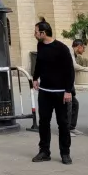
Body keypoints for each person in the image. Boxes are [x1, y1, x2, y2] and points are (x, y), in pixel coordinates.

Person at [31, 20, 75, 165]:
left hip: (60, 92)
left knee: (63, 123)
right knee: (44, 122)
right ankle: (44, 151)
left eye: (36, 31)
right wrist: (35, 78)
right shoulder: (40, 45)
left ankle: (65, 153)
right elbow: (39, 63)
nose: (34, 34)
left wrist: (68, 91)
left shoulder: (61, 49)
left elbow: (70, 71)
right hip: (44, 91)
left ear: (43, 33)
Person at [68, 39, 88, 136]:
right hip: (63, 83)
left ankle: (71, 127)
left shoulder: (73, 53)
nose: (84, 50)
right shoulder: (69, 51)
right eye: (84, 48)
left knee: (74, 104)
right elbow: (75, 66)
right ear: (79, 46)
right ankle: (66, 130)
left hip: (68, 83)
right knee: (69, 105)